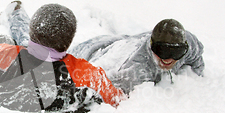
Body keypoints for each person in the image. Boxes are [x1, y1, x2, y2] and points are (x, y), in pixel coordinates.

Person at [69, 18, 205, 93]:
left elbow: (197, 60)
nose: (168, 58)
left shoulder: (190, 43)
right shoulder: (136, 71)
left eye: (176, 52)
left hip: (139, 38)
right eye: (162, 51)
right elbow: (100, 89)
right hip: (116, 48)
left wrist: (196, 76)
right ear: (152, 47)